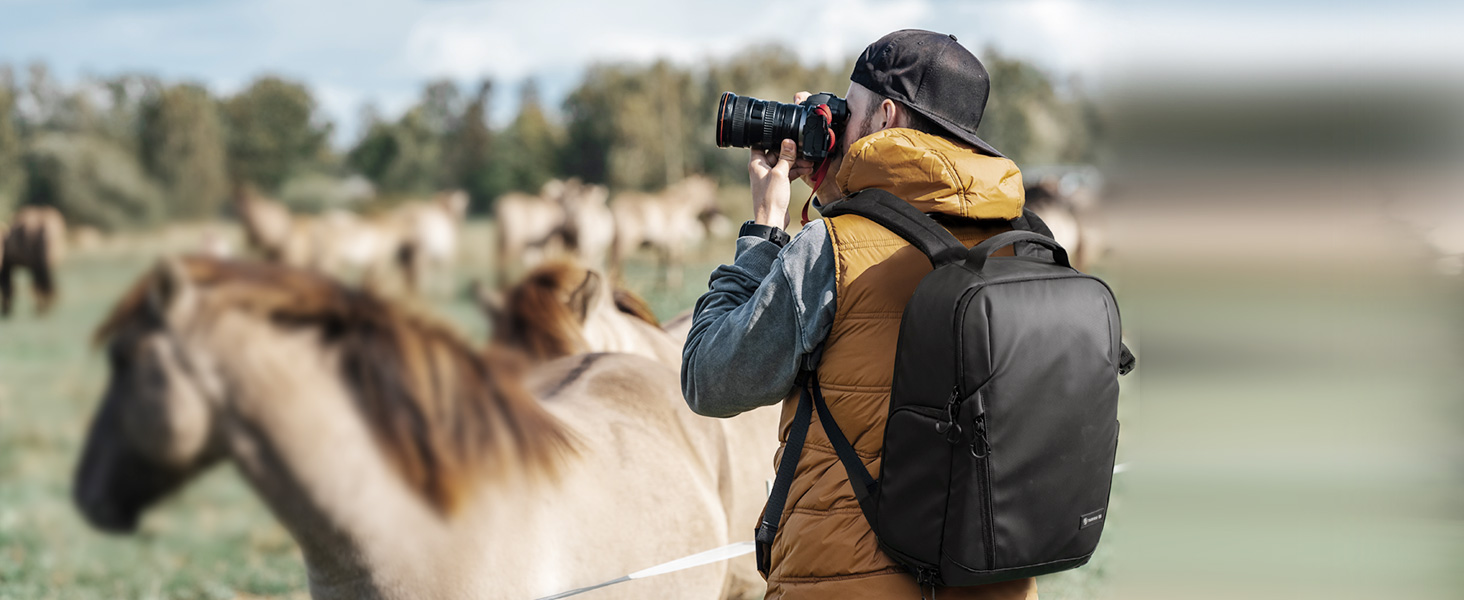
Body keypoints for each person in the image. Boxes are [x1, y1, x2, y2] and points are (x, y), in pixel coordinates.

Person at [682, 30, 1038, 600]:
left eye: (848, 111)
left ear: (886, 115)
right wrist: (838, 189)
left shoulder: (833, 247)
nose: (838, 124)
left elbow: (711, 379)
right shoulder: (1021, 243)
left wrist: (764, 231)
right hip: (992, 584)